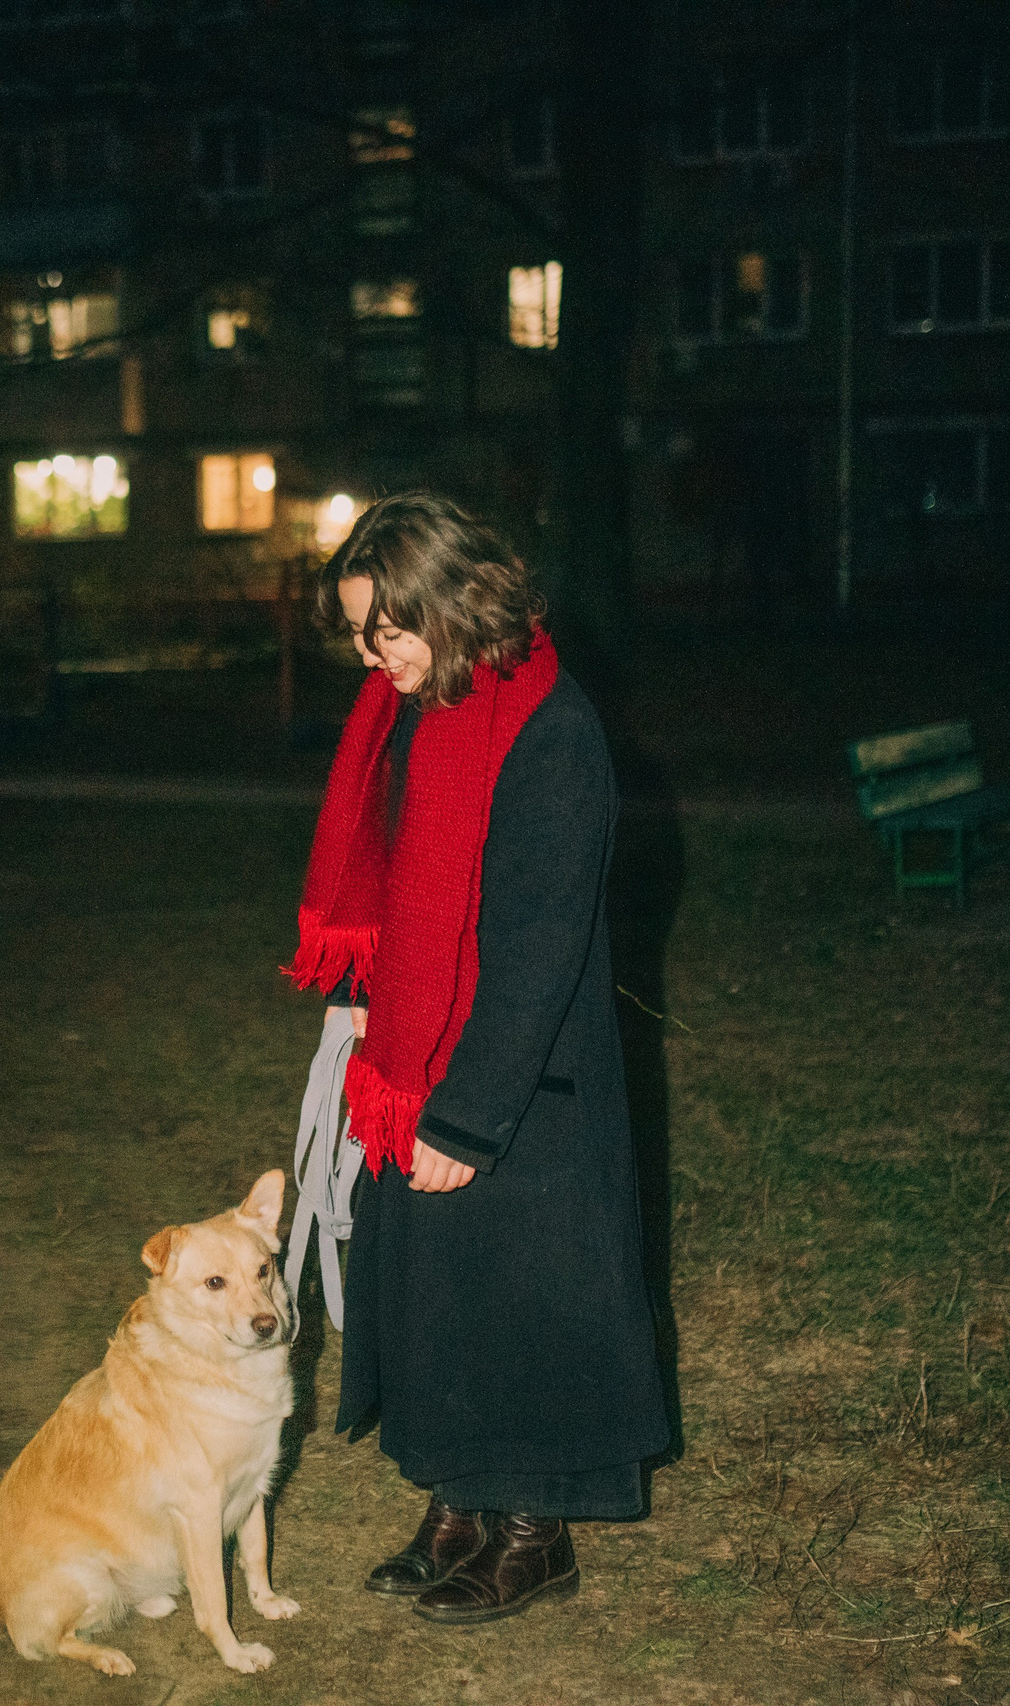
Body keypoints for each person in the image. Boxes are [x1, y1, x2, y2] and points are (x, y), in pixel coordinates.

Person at [284, 492, 667, 1626]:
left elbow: (543, 941)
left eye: (384, 630)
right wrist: (361, 992)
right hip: (417, 1048)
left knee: (522, 1301)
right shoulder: (412, 708)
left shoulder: (551, 731)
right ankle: (457, 1499)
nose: (369, 656)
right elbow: (397, 876)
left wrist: (466, 1117)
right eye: (359, 632)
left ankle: (532, 1532)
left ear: (451, 605)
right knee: (437, 1290)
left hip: (518, 1077)